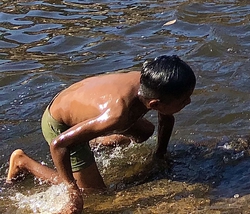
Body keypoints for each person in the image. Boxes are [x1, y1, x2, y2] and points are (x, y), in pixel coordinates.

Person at [5, 55, 196, 214]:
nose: (189, 101)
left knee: (145, 132)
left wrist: (160, 156)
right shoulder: (117, 115)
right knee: (92, 193)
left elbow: (166, 118)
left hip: (80, 100)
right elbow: (58, 144)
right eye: (184, 100)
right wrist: (72, 192)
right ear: (154, 104)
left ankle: (93, 140)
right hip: (59, 123)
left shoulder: (151, 82)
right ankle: (23, 162)